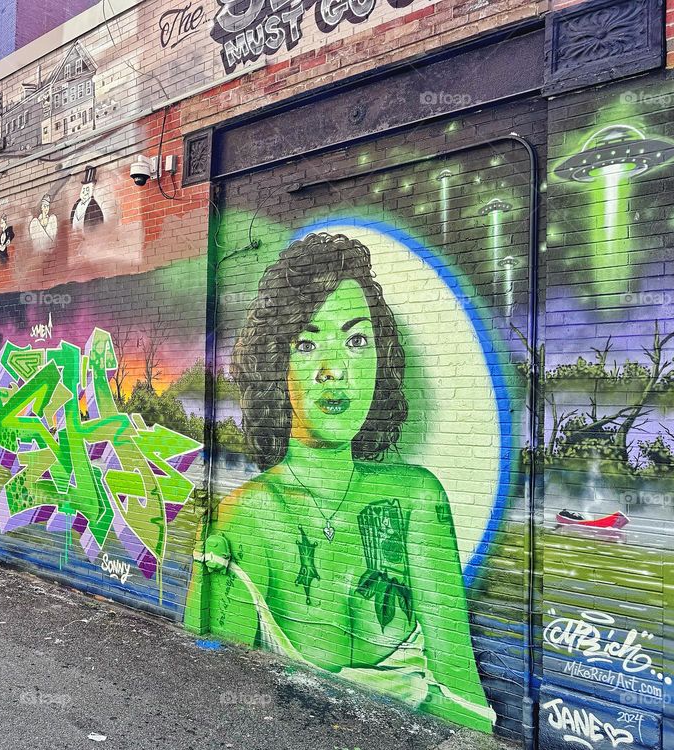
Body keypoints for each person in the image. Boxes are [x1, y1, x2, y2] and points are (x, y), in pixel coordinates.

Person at [187, 232, 493, 731]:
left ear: (380, 358)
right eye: (306, 344)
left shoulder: (416, 499)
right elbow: (222, 698)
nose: (335, 371)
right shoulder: (245, 519)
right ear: (277, 367)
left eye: (355, 340)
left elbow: (467, 702)